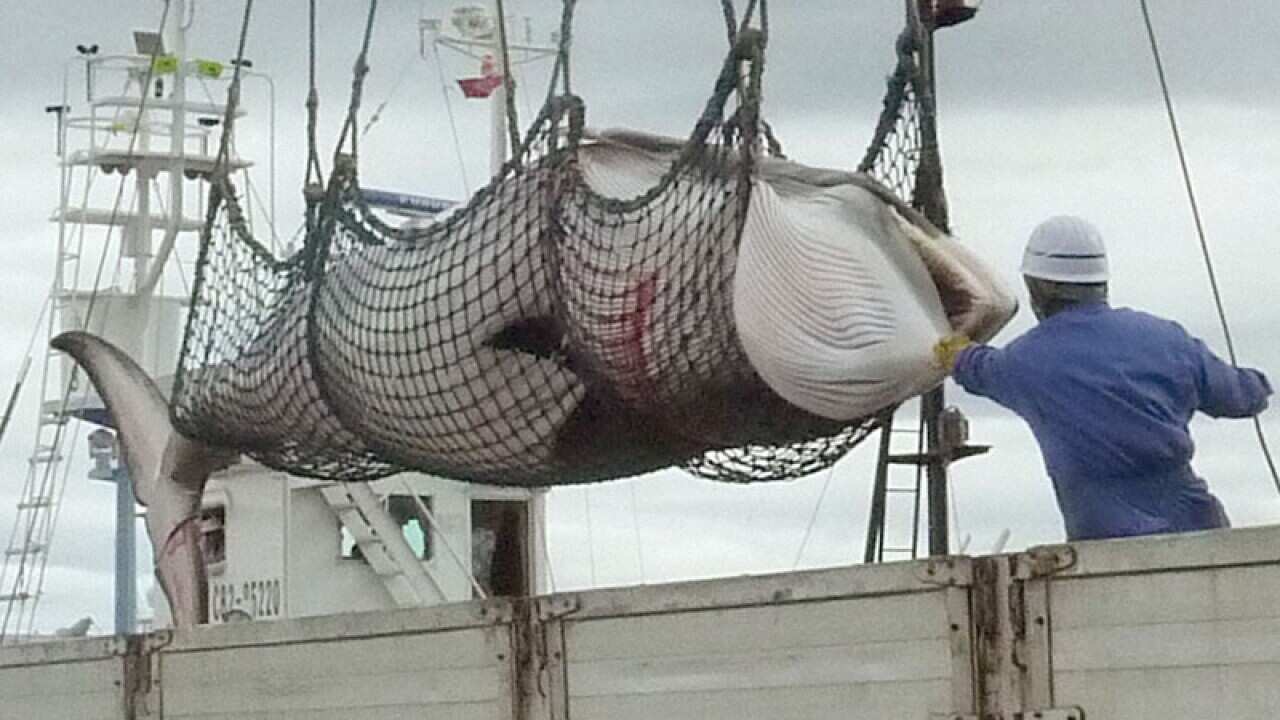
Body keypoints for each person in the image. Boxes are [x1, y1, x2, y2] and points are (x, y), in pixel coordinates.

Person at [933, 215, 1272, 541]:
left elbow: (974, 366)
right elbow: (1241, 397)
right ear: (1101, 281)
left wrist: (951, 349)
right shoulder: (1166, 339)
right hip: (1200, 532)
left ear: (1037, 287)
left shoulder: (1024, 362)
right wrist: (1258, 383)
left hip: (1104, 544)